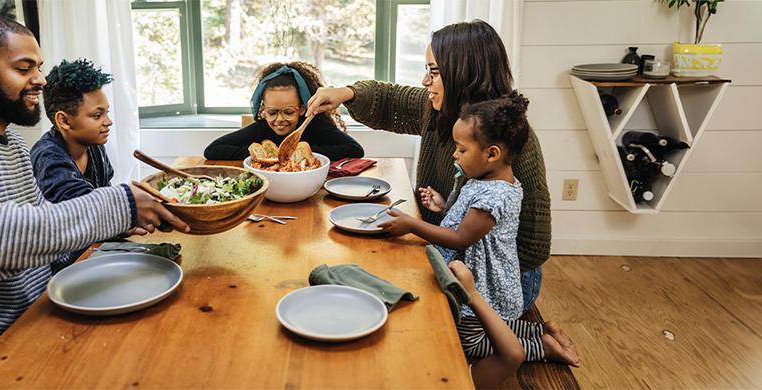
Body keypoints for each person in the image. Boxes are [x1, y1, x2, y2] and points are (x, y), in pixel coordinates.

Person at [0, 15, 187, 388]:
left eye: (39, 67)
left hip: (29, 326)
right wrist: (119, 205)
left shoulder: (10, 142)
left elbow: (40, 229)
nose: (40, 79)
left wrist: (129, 233)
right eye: (23, 68)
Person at [307, 20, 551, 308]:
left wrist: (476, 275)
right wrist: (345, 93)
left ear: (464, 75)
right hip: (448, 254)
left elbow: (533, 245)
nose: (425, 82)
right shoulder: (441, 111)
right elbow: (390, 99)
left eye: (434, 72)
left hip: (497, 283)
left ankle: (534, 341)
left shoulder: (511, 138)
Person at [378, 93, 580, 386]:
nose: (455, 155)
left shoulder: (494, 195)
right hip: (488, 278)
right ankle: (541, 331)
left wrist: (412, 224)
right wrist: (443, 204)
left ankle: (542, 347)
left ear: (492, 154)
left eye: (461, 149)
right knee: (500, 327)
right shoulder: (489, 181)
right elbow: (468, 219)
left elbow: (461, 238)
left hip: (484, 284)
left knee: (471, 341)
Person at [203, 61, 363, 161]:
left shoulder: (314, 126)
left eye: (288, 112)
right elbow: (212, 150)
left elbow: (355, 150)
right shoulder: (261, 129)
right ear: (263, 110)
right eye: (272, 112)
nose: (279, 119)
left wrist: (301, 150)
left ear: (301, 109)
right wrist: (266, 154)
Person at [30, 58, 116, 203]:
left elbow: (106, 193)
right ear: (64, 120)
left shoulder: (95, 147)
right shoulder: (47, 158)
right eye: (97, 115)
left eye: (107, 112)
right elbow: (83, 209)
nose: (108, 122)